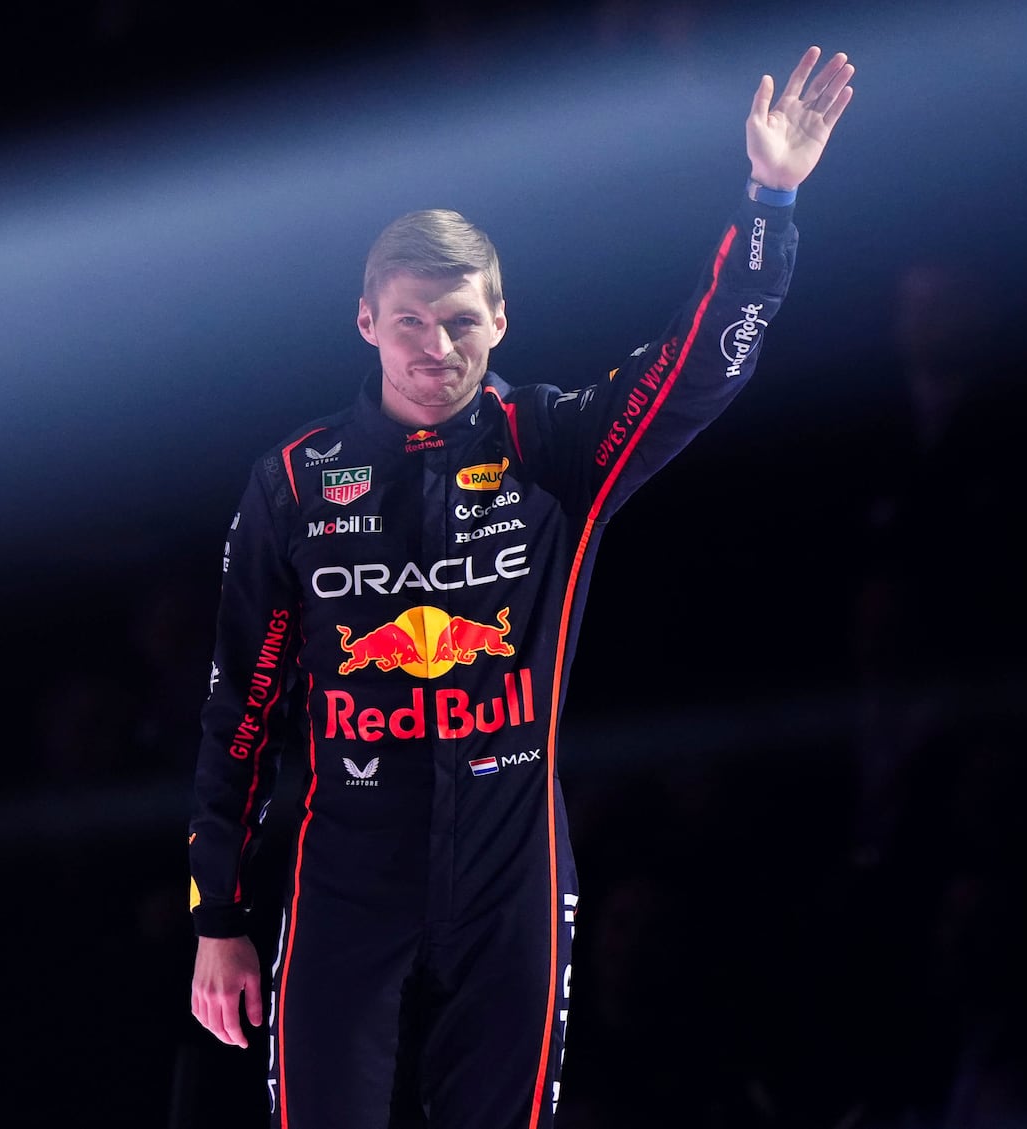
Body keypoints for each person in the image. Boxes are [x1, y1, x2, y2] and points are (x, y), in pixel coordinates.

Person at [187, 43, 857, 1128]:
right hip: (347, 870)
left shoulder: (552, 441)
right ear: (366, 323)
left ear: (501, 320)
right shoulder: (296, 481)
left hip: (512, 868)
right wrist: (219, 914)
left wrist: (770, 200)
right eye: (409, 319)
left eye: (460, 320)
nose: (434, 345)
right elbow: (241, 705)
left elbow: (701, 366)